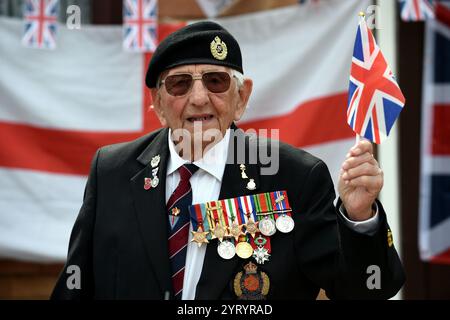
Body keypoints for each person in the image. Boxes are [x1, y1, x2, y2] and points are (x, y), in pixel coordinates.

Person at [51, 21, 405, 300]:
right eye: (179, 85)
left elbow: (366, 290)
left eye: (216, 81)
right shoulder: (112, 172)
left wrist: (359, 219)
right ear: (158, 104)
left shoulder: (294, 177)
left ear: (241, 98)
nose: (200, 98)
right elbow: (74, 290)